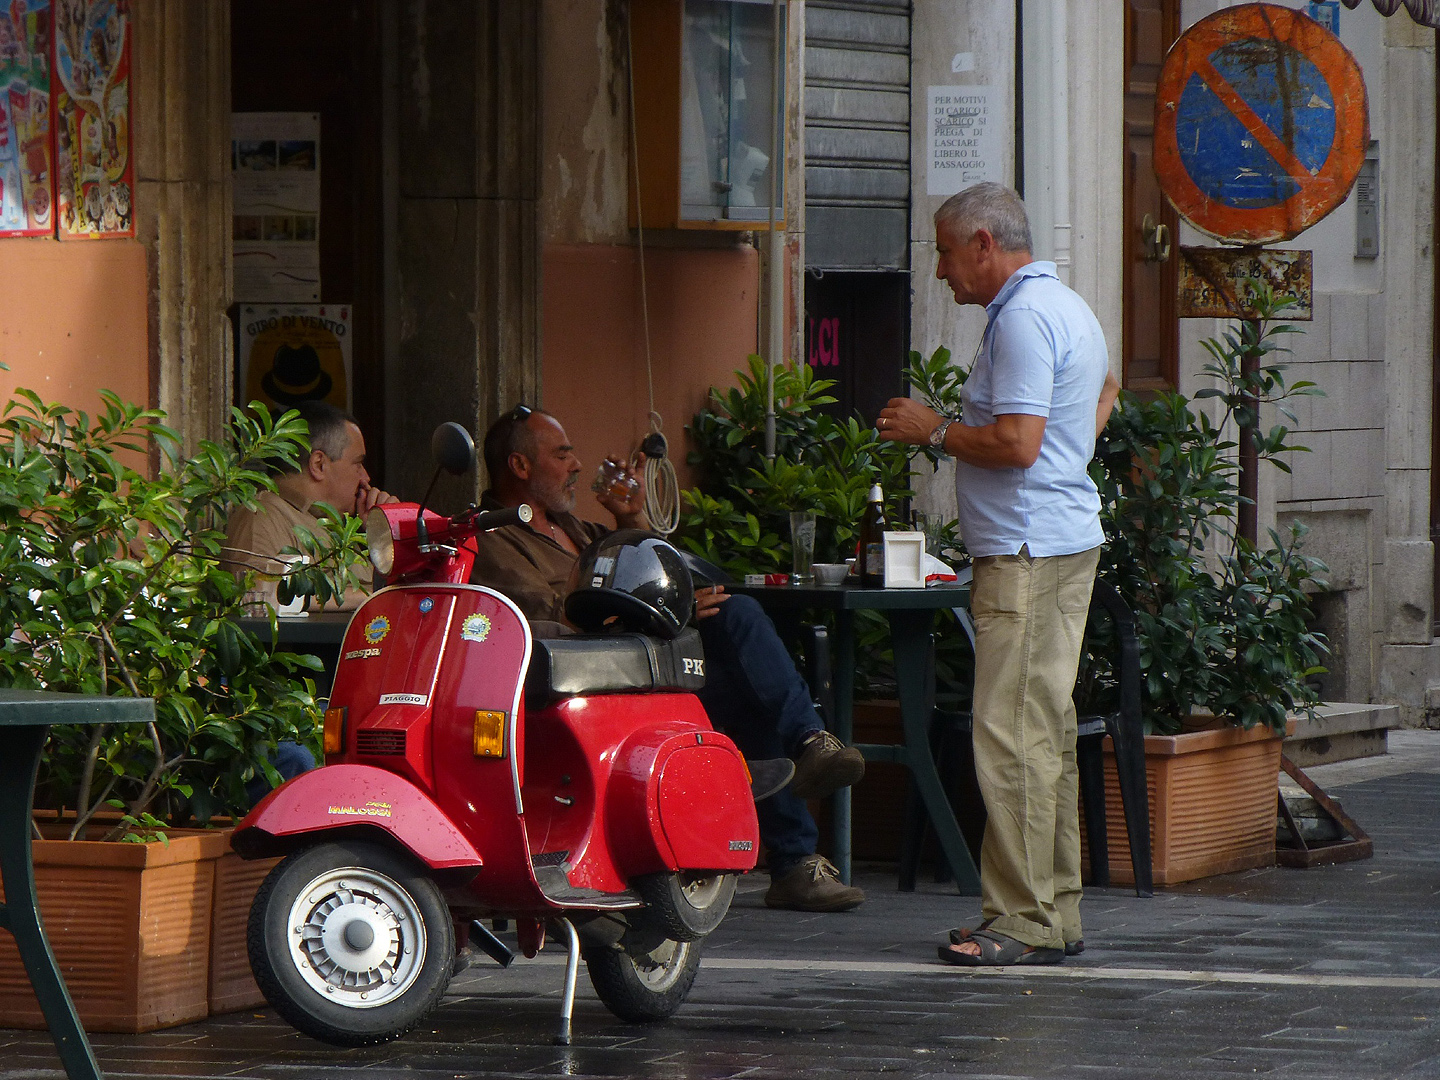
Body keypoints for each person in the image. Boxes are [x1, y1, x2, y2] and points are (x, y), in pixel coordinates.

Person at [470, 404, 868, 913]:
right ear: (520, 467)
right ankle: (798, 827)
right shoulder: (491, 539)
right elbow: (556, 614)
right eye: (563, 453)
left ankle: (810, 764)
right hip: (600, 687)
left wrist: (630, 516)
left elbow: (651, 565)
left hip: (652, 667)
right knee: (740, 629)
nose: (575, 465)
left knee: (740, 629)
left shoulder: (575, 527)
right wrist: (665, 611)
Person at [877, 182, 1120, 966]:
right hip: (1061, 539)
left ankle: (1019, 918)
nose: (941, 270)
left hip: (1024, 550)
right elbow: (1105, 392)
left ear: (984, 242)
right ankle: (1056, 911)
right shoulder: (1068, 305)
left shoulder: (1019, 319)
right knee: (1042, 732)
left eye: (947, 252)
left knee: (1011, 735)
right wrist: (1067, 458)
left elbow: (1015, 442)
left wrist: (934, 429)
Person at [222, 400, 397, 612]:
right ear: (318, 464)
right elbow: (262, 596)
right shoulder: (261, 516)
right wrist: (377, 596)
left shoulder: (336, 525)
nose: (365, 477)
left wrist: (383, 534)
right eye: (357, 464)